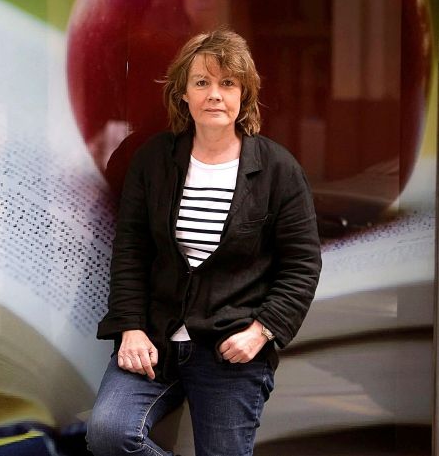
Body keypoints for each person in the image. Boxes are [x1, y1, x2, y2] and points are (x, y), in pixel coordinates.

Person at [85, 29, 322, 456]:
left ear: (244, 95)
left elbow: (303, 265)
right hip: (153, 343)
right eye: (202, 83)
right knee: (108, 432)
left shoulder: (278, 170)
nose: (215, 94)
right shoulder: (155, 160)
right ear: (184, 95)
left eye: (227, 83)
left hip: (231, 349)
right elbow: (131, 252)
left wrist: (261, 331)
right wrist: (130, 328)